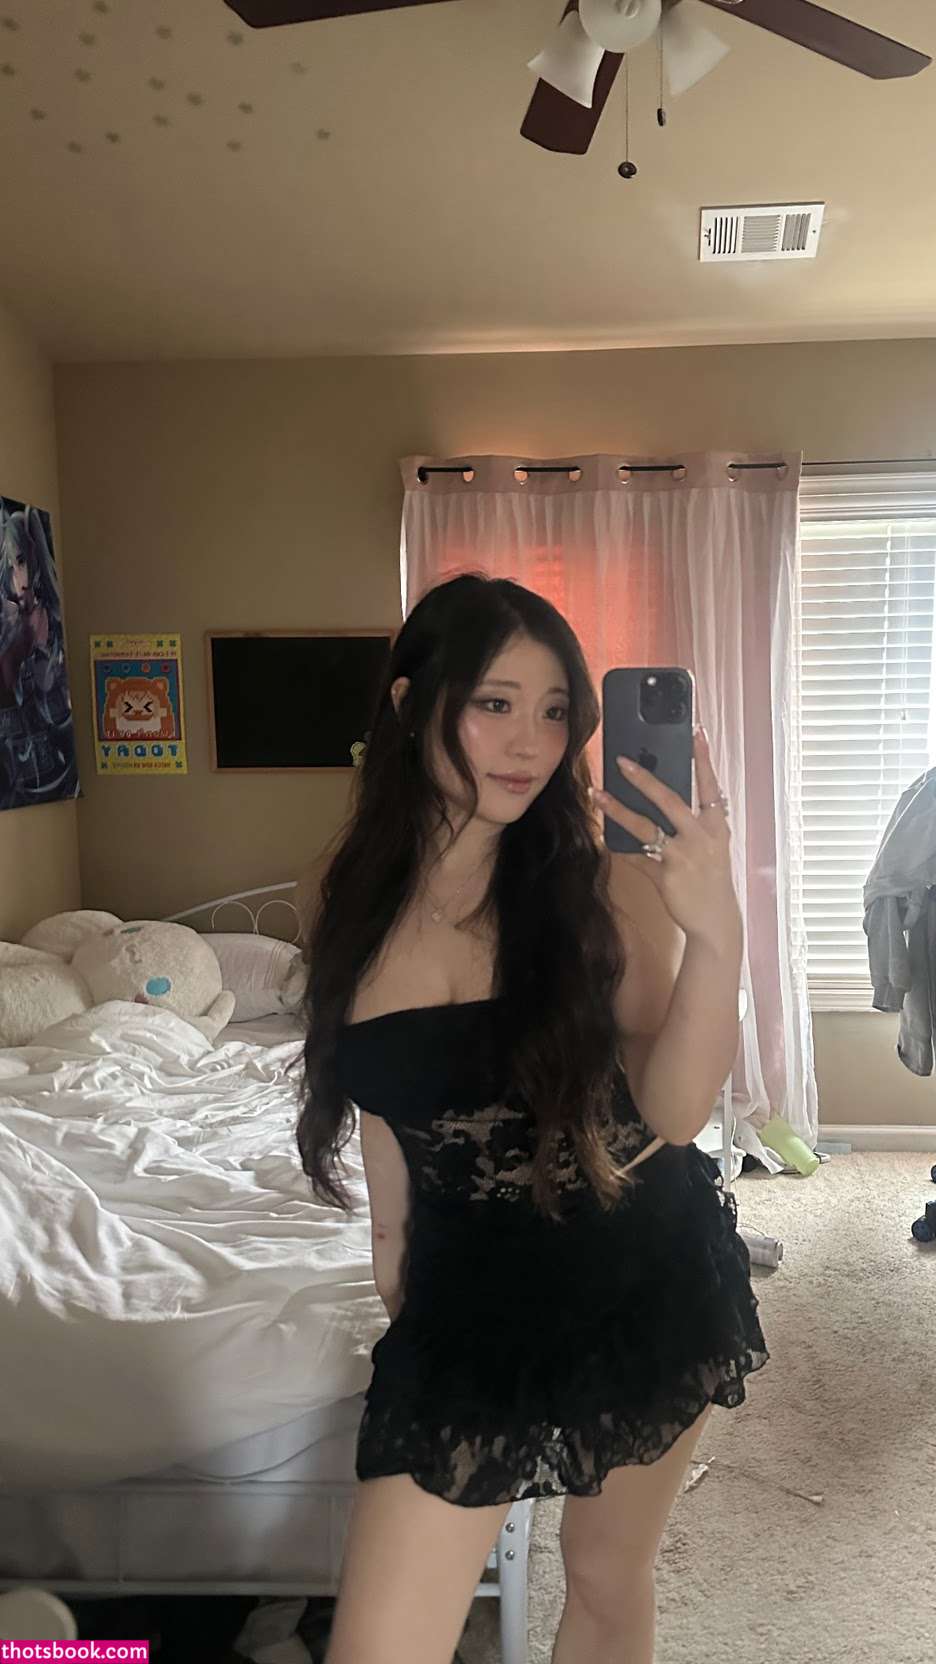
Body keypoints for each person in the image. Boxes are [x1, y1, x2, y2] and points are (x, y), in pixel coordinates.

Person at [295, 573, 769, 1664]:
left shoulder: (607, 886)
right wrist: (393, 1262)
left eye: (555, 710)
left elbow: (674, 1111)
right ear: (412, 704)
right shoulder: (348, 895)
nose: (530, 742)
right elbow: (388, 1104)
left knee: (603, 1580)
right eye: (495, 702)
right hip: (468, 1317)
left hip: (640, 1279)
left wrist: (719, 932)